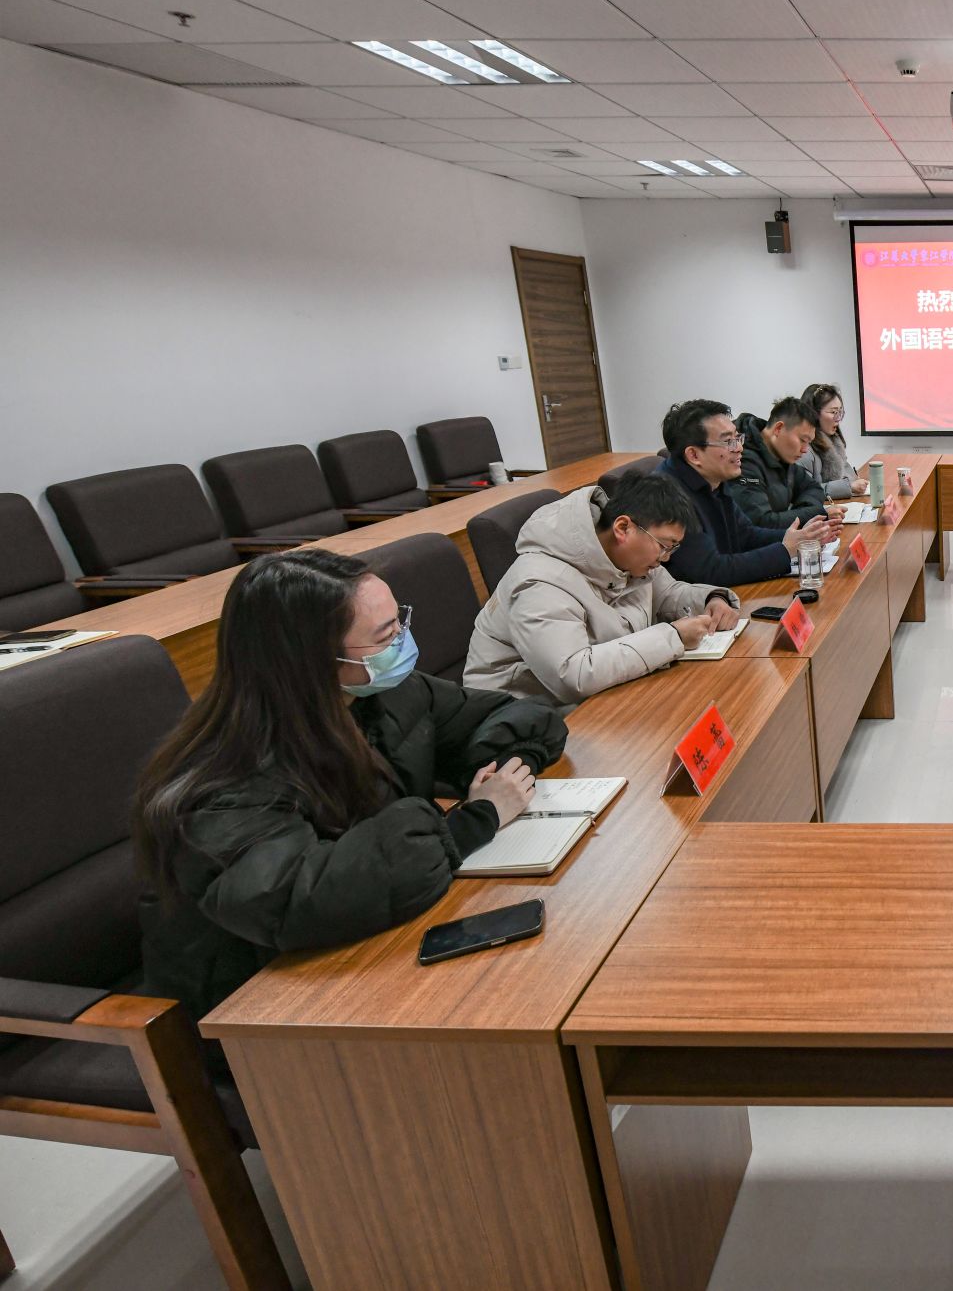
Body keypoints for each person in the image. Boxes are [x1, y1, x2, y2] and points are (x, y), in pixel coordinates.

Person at [136, 550, 568, 1019]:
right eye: (386, 636)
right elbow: (295, 901)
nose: (403, 641)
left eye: (400, 622)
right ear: (314, 658)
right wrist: (473, 821)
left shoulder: (375, 692)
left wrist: (508, 771)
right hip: (261, 1003)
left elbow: (515, 714)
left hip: (370, 944)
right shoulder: (226, 775)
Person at [465, 473, 744, 704]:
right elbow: (573, 676)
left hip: (597, 695)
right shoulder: (539, 582)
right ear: (623, 528)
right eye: (664, 545)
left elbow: (669, 594)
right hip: (521, 713)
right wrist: (672, 637)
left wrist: (712, 598)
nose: (666, 557)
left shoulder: (629, 559)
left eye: (673, 547)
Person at [657, 399, 832, 588]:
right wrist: (784, 550)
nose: (740, 448)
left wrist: (799, 538)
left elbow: (746, 535)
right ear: (694, 455)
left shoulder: (714, 479)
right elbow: (710, 571)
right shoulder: (668, 496)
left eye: (738, 438)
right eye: (728, 442)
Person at [734, 394, 835, 527]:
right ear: (778, 429)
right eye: (802, 440)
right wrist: (816, 514)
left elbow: (813, 488)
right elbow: (762, 522)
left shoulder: (782, 455)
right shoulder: (742, 461)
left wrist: (806, 513)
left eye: (808, 443)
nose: (805, 450)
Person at [797, 382, 867, 499]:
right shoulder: (804, 450)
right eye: (834, 412)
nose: (838, 418)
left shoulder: (833, 442)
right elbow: (804, 492)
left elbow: (847, 474)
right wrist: (848, 487)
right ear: (814, 413)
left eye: (840, 412)